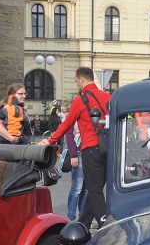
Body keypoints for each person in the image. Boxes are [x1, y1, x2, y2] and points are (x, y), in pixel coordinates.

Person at [43, 67, 112, 228]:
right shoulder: (108, 97)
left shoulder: (80, 100)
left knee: (94, 191)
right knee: (96, 188)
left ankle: (105, 225)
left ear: (82, 79)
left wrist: (51, 141)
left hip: (91, 149)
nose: (77, 84)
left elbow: (67, 124)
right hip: (109, 148)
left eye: (76, 81)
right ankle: (83, 224)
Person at [65, 126, 85, 219]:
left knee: (86, 189)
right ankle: (71, 217)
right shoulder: (75, 118)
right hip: (78, 152)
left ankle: (82, 217)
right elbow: (69, 135)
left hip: (88, 152)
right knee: (77, 188)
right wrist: (73, 154)